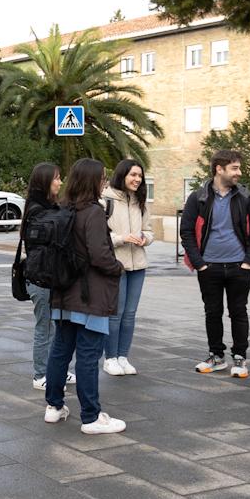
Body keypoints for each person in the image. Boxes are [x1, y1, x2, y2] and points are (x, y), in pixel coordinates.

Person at [42, 158, 126, 435]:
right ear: (93, 181)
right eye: (102, 177)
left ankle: (54, 407)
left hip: (64, 294)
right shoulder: (93, 213)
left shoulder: (62, 209)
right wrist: (117, 268)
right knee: (89, 356)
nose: (104, 182)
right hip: (90, 296)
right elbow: (100, 255)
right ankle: (91, 416)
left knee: (60, 350)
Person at [180, 149, 250, 378]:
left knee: (239, 312)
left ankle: (240, 358)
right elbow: (186, 232)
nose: (239, 172)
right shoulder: (198, 198)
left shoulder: (245, 197)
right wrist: (199, 263)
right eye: (234, 168)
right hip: (209, 267)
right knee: (212, 312)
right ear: (219, 169)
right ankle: (216, 356)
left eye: (238, 167)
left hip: (239, 267)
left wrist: (248, 262)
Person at [22, 163, 76, 390]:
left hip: (50, 276)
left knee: (55, 327)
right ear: (45, 181)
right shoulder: (37, 210)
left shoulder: (49, 207)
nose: (60, 182)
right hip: (40, 277)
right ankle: (40, 375)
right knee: (44, 327)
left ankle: (57, 370)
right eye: (56, 178)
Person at [101, 158, 153, 376]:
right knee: (115, 313)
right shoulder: (106, 200)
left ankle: (123, 356)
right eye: (133, 175)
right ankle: (110, 358)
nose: (137, 179)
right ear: (122, 175)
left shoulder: (140, 202)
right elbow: (99, 235)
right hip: (116, 265)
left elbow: (150, 230)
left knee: (130, 314)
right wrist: (122, 238)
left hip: (138, 264)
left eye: (140, 176)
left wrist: (144, 238)